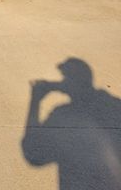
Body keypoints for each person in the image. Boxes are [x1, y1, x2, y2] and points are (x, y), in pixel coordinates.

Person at [22, 58, 121, 189]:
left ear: (70, 82)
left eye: (63, 78)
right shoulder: (115, 105)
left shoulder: (63, 115)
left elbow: (34, 154)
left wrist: (35, 101)